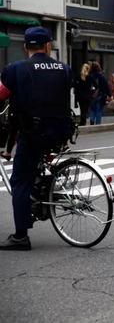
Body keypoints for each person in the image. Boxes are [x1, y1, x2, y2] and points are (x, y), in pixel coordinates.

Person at [0, 26, 73, 250]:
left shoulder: (16, 69)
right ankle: (40, 194)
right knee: (35, 165)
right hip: (61, 133)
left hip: (33, 134)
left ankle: (21, 236)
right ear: (48, 46)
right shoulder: (65, 68)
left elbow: (2, 95)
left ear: (25, 47)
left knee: (19, 180)